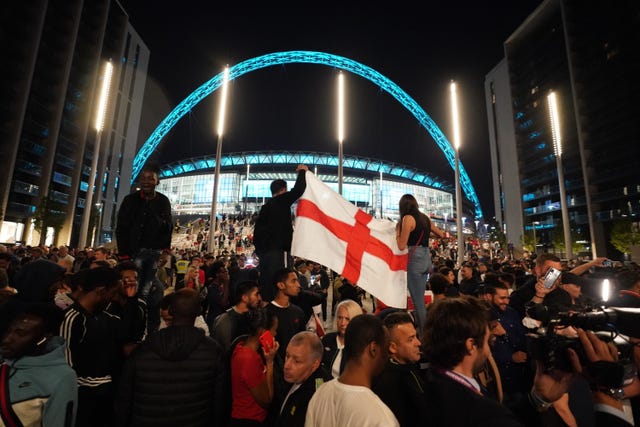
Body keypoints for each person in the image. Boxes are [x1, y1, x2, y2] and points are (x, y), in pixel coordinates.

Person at [113, 289, 227, 426]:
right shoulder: (213, 351)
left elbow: (124, 398)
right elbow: (220, 402)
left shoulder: (144, 349)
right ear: (198, 312)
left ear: (171, 311)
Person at [305, 314, 399, 427]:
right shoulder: (382, 419)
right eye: (385, 349)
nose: (388, 355)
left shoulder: (321, 393)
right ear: (373, 349)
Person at [59, 266, 122, 427]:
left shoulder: (105, 318)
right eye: (113, 292)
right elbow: (66, 364)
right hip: (84, 400)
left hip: (104, 396)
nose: (114, 298)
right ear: (101, 290)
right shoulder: (72, 318)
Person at [115, 163, 173, 334]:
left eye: (150, 178)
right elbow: (122, 228)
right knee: (134, 290)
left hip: (154, 252)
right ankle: (132, 327)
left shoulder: (163, 201)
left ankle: (148, 330)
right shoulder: (130, 200)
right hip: (134, 252)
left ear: (157, 181)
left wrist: (165, 251)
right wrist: (124, 255)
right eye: (143, 178)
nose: (146, 181)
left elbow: (168, 227)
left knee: (147, 291)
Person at [0, 302, 77, 427]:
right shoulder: (4, 361)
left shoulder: (61, 377)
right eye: (9, 331)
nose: (7, 339)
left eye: (20, 334)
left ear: (43, 339)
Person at [253, 164, 308, 301]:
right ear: (283, 190)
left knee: (268, 287)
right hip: (279, 252)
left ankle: (268, 312)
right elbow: (299, 190)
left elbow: (256, 235)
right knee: (283, 284)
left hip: (265, 256)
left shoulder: (265, 208)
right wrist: (302, 171)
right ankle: (281, 313)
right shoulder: (281, 201)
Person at [395, 194, 446, 333]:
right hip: (426, 260)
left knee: (418, 303)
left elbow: (401, 245)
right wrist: (427, 233)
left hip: (415, 261)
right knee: (420, 298)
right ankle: (423, 330)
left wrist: (397, 231)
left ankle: (425, 336)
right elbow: (441, 235)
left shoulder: (407, 219)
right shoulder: (425, 218)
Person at [372, 311, 424, 427]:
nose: (418, 343)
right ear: (392, 347)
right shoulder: (389, 384)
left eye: (416, 336)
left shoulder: (408, 367)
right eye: (410, 339)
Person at [229, 307, 279, 426]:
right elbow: (267, 399)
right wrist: (270, 362)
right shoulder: (249, 359)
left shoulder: (240, 347)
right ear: (263, 333)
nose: (276, 334)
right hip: (249, 419)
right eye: (274, 330)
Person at [272, 331, 331, 427]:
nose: (287, 365)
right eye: (287, 356)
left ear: (315, 365)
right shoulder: (297, 376)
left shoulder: (315, 398)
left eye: (297, 361)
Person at [212, 280, 263, 352]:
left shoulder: (255, 316)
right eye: (256, 294)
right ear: (244, 298)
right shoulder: (225, 320)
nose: (260, 298)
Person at [321, 298, 363, 378]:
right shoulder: (327, 339)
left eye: (347, 319)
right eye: (340, 318)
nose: (342, 323)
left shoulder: (360, 347)